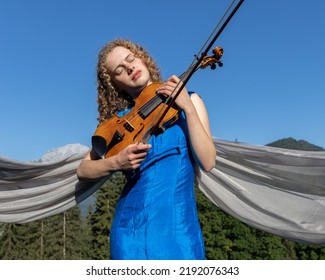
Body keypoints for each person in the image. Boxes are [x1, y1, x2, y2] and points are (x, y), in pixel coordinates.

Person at [77, 39, 216, 260]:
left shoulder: (190, 100)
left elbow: (208, 162)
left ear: (141, 58)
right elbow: (83, 170)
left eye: (130, 59)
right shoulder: (119, 125)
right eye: (119, 70)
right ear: (116, 85)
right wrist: (115, 162)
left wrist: (187, 108)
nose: (129, 68)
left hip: (177, 229)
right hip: (128, 231)